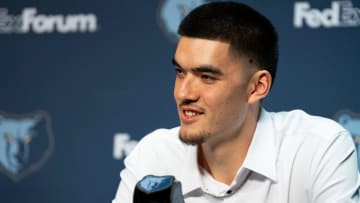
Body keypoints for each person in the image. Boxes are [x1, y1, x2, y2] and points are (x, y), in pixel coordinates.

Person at [112, 1, 360, 202]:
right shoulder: (153, 155)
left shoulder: (319, 147)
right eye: (180, 72)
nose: (183, 93)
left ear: (257, 87)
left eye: (206, 77)